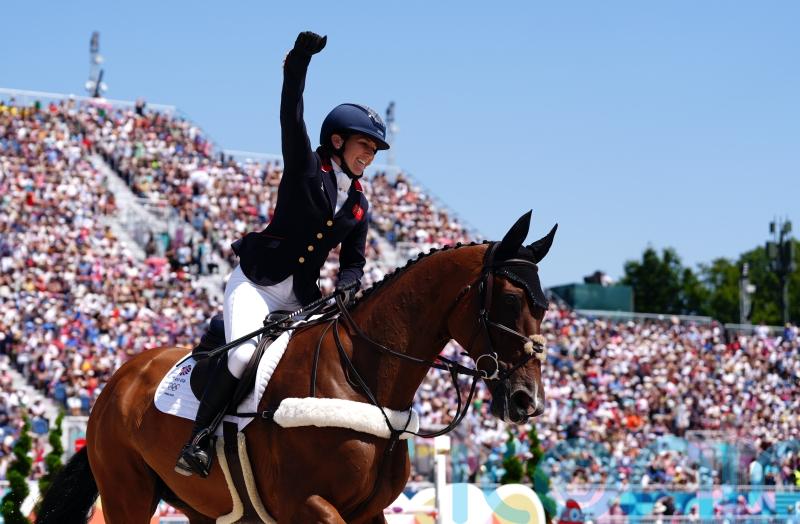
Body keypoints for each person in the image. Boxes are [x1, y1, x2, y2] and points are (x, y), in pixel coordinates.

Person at [175, 30, 389, 477]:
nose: (369, 154)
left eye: (373, 149)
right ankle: (198, 442)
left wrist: (349, 284)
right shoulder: (305, 166)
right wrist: (298, 64)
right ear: (336, 141)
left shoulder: (359, 203)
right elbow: (291, 109)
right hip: (258, 283)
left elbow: (353, 260)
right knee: (240, 357)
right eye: (364, 144)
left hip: (302, 297)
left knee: (330, 360)